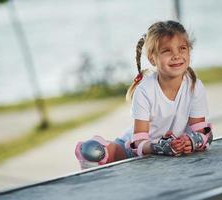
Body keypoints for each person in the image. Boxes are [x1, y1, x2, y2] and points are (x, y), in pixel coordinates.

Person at [75, 20, 213, 169]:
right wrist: (159, 147)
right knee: (92, 152)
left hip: (173, 146)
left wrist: (190, 142)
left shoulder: (194, 86)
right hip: (138, 147)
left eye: (182, 48)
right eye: (167, 51)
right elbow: (138, 142)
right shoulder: (144, 90)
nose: (176, 55)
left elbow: (200, 131)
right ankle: (97, 156)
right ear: (152, 58)